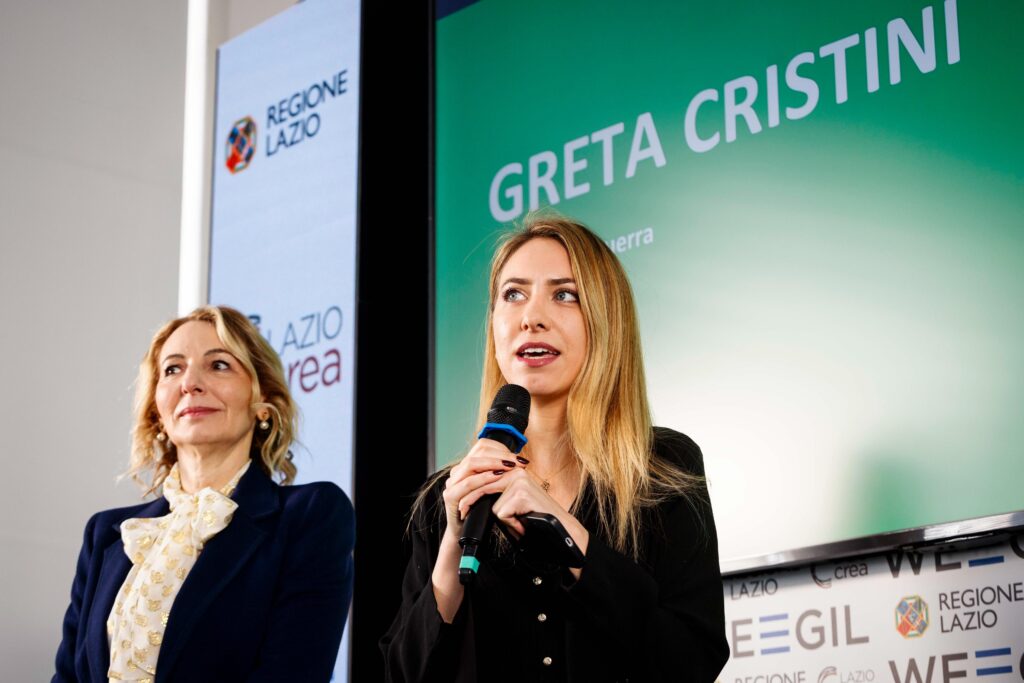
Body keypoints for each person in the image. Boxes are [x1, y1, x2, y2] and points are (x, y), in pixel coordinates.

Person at [380, 214, 729, 682]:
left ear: (605, 321)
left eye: (564, 294)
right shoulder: (445, 498)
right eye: (513, 295)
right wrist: (451, 548)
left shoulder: (663, 468)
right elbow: (402, 675)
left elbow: (692, 660)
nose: (531, 317)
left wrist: (567, 535)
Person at [53, 306, 354, 683]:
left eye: (219, 365)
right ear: (157, 412)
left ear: (263, 401)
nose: (190, 383)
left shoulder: (311, 515)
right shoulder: (105, 534)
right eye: (172, 369)